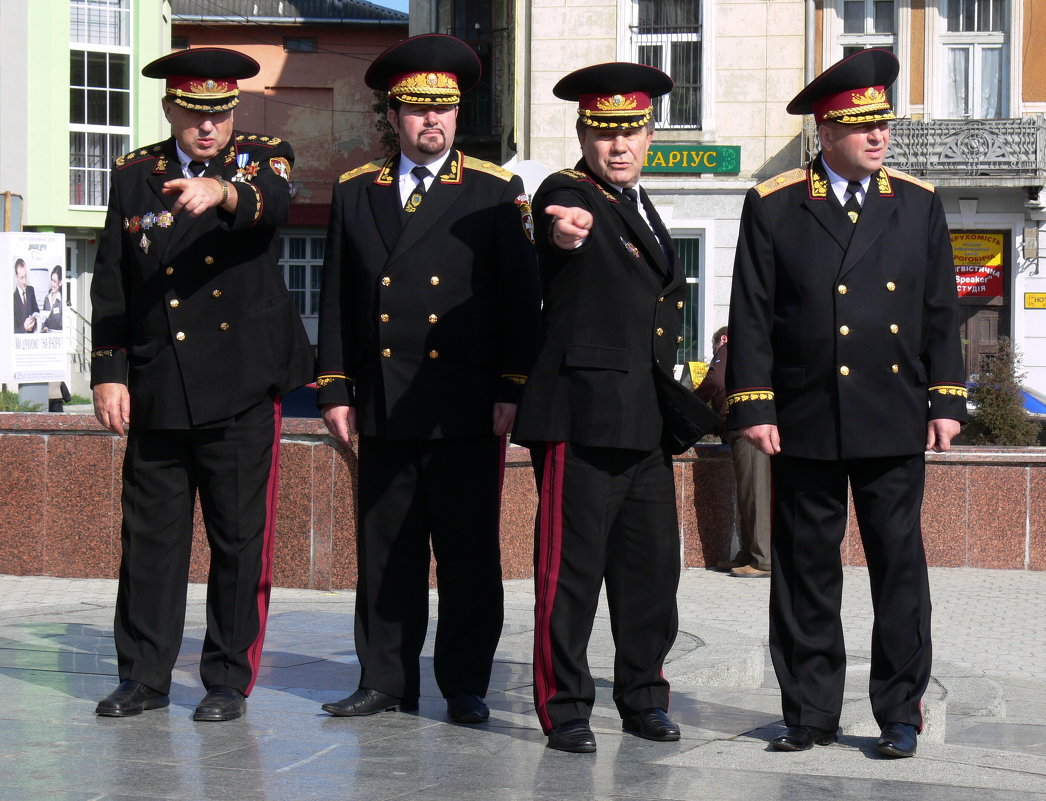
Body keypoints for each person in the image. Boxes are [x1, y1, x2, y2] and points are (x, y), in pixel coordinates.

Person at [725, 49, 967, 758]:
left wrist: (945, 398)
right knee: (805, 569)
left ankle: (899, 711)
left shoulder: (917, 202)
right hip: (805, 416)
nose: (878, 137)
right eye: (860, 126)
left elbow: (939, 307)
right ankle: (808, 710)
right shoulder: (775, 203)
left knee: (899, 569)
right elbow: (753, 312)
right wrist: (755, 405)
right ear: (824, 132)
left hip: (892, 413)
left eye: (882, 124)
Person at [315, 34, 541, 725]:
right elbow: (336, 300)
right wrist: (333, 387)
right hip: (383, 402)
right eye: (416, 111)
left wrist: (511, 386)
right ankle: (384, 677)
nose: (431, 123)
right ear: (393, 115)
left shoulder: (494, 191)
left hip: (464, 405)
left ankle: (465, 681)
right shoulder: (357, 191)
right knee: (387, 550)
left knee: (469, 551)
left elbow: (518, 301)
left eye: (442, 110)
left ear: (456, 114)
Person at [90, 47, 314, 722]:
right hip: (159, 382)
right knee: (152, 539)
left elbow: (277, 199)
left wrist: (223, 192)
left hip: (241, 383)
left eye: (218, 114)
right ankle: (143, 674)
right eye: (194, 115)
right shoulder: (136, 174)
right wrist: (109, 371)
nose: (208, 128)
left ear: (233, 113)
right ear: (171, 112)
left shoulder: (260, 156)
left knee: (238, 538)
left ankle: (225, 676)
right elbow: (112, 277)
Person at [513, 62, 688, 753]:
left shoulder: (643, 205)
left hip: (644, 418)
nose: (618, 146)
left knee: (652, 575)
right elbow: (555, 216)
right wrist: (563, 226)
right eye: (603, 133)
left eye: (631, 133)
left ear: (649, 135)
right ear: (584, 135)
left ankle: (644, 695)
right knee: (570, 575)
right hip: (580, 418)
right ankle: (566, 708)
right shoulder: (570, 191)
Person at [696, 326, 772, 578]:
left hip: (745, 427)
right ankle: (749, 554)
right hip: (744, 426)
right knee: (747, 494)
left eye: (713, 346)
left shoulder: (728, 347)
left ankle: (762, 560)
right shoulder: (745, 352)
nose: (715, 352)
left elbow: (714, 382)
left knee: (753, 493)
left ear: (723, 339)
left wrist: (690, 401)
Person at [13, 258, 39, 333]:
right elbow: (12, 329)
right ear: (16, 276)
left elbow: (36, 310)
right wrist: (24, 327)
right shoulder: (12, 299)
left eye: (25, 276)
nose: (25, 281)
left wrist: (35, 319)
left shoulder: (31, 290)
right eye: (21, 277)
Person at [42, 265, 62, 332]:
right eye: (51, 280)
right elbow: (43, 320)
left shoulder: (62, 301)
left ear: (60, 283)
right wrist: (44, 327)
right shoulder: (46, 299)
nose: (52, 284)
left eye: (55, 281)